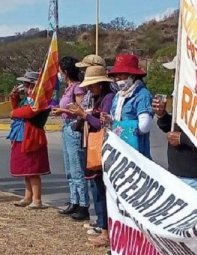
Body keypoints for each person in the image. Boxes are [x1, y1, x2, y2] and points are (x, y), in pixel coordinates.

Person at [152, 56, 197, 199]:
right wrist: (162, 115)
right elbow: (173, 127)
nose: (172, 76)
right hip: (179, 173)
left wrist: (182, 138)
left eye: (176, 71)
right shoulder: (182, 96)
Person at [69, 65, 115, 247]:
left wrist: (83, 115)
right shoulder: (97, 98)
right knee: (97, 190)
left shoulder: (108, 99)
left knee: (102, 192)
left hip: (101, 148)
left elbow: (102, 124)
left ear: (101, 83)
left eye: (92, 85)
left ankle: (106, 231)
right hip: (93, 147)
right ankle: (104, 228)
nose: (89, 89)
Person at [52, 56, 90, 220]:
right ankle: (74, 200)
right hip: (66, 127)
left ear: (65, 71)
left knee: (77, 168)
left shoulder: (78, 88)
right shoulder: (68, 88)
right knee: (69, 168)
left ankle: (83, 204)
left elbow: (81, 109)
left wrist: (63, 111)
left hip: (75, 127)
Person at [8, 71, 50, 209]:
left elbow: (29, 112)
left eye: (28, 85)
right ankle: (28, 197)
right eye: (25, 85)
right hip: (21, 136)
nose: (26, 88)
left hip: (32, 138)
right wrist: (14, 97)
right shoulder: (27, 99)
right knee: (26, 170)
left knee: (33, 170)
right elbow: (17, 108)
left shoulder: (40, 99)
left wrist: (14, 113)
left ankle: (37, 199)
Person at [104, 53, 154, 158]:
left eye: (121, 74)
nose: (117, 78)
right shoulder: (118, 96)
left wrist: (119, 127)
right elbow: (115, 119)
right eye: (116, 75)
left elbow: (144, 126)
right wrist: (108, 120)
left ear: (132, 75)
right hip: (118, 150)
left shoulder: (142, 95)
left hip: (136, 153)